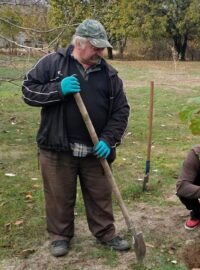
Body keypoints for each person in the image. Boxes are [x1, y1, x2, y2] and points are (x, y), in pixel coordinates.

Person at [21, 19, 130, 257]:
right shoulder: (53, 64)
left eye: (102, 47)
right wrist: (58, 89)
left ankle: (105, 233)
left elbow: (121, 111)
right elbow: (27, 91)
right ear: (79, 43)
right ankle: (60, 236)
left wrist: (108, 140)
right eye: (96, 47)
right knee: (59, 195)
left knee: (100, 194)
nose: (101, 52)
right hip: (57, 147)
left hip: (95, 150)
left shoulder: (109, 74)